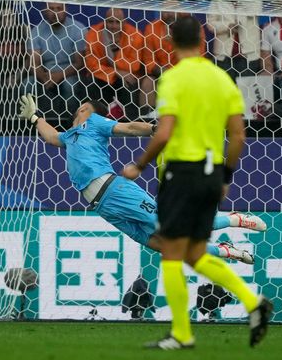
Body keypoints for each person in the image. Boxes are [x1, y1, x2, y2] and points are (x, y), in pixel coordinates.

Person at [122, 16, 272, 350]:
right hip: (210, 175)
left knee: (172, 254)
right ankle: (252, 303)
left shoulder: (172, 78)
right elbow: (237, 135)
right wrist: (226, 176)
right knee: (195, 253)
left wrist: (139, 164)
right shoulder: (222, 79)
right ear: (203, 42)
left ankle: (182, 334)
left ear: (172, 44)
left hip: (181, 174)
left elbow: (164, 131)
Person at [17, 94, 266, 265]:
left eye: (80, 107)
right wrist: (35, 118)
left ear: (84, 108)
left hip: (114, 189)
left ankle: (235, 219)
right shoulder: (70, 136)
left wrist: (155, 129)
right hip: (102, 206)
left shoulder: (93, 122)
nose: (76, 111)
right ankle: (225, 251)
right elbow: (51, 136)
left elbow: (129, 128)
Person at [83, 7, 152, 120]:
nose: (114, 26)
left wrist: (118, 53)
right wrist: (115, 72)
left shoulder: (134, 35)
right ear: (105, 21)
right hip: (102, 77)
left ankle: (129, 123)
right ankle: (96, 120)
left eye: (117, 22)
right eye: (110, 21)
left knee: (126, 83)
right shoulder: (93, 34)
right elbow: (92, 65)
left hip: (127, 77)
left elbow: (134, 66)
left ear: (124, 22)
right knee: (90, 82)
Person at [24, 2, 86, 118]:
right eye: (51, 9)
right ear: (44, 11)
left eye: (59, 8)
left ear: (65, 9)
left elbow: (79, 63)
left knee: (69, 86)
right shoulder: (37, 31)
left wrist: (59, 75)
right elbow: (33, 63)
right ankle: (30, 123)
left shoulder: (78, 29)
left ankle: (70, 122)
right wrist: (45, 78)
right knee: (28, 83)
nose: (55, 13)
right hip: (45, 74)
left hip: (70, 74)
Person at [206, 0, 262, 79]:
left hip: (248, 54)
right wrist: (227, 26)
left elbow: (254, 11)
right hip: (223, 54)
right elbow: (210, 24)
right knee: (225, 93)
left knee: (245, 94)